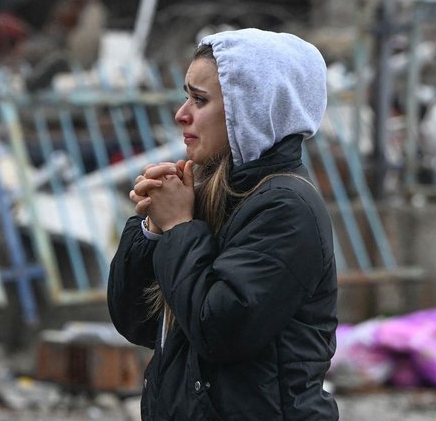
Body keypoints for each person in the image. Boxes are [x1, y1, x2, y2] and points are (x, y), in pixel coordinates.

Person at [107, 28, 339, 420]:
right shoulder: (209, 192)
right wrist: (151, 229)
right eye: (186, 95)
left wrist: (180, 227)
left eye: (200, 100)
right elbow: (139, 323)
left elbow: (221, 331)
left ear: (250, 107)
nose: (182, 114)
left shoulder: (286, 208)